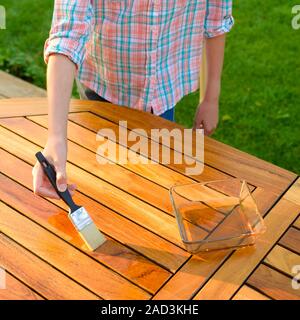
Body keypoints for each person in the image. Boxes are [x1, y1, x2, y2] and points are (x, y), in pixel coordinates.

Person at [32, 0, 234, 198]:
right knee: (101, 182)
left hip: (162, 92)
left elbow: (216, 18)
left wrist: (210, 97)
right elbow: (67, 37)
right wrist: (56, 138)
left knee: (152, 187)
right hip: (102, 84)